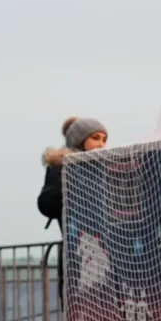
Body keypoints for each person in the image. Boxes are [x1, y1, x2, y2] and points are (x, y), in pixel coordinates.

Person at [37, 116, 108, 306]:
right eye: (95, 138)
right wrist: (67, 189)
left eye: (104, 139)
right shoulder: (63, 168)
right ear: (79, 140)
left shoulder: (106, 168)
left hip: (106, 254)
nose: (101, 144)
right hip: (77, 255)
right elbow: (46, 204)